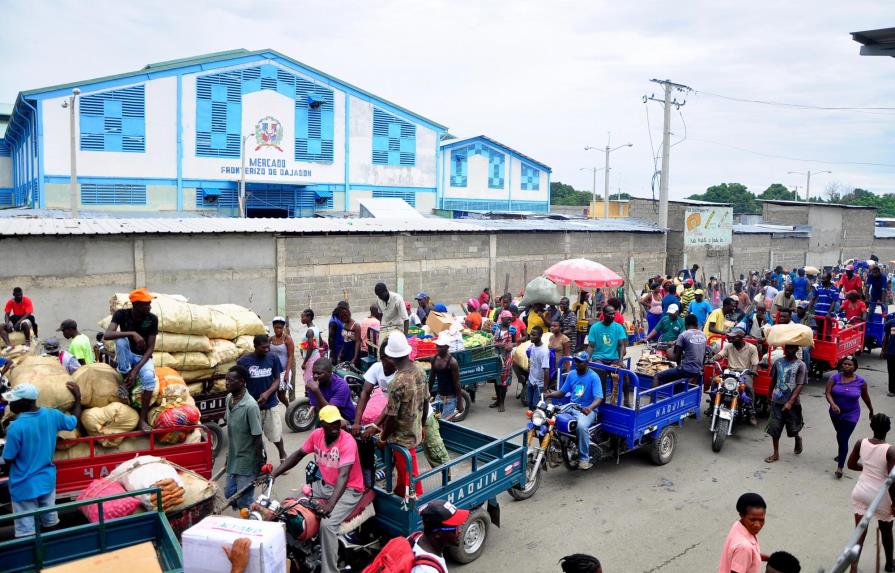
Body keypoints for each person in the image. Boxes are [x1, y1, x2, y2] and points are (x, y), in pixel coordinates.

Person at [271, 405, 364, 573]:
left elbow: (343, 476)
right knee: (288, 507)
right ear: (322, 424)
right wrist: (274, 474)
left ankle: (329, 570)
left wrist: (330, 506)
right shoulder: (316, 436)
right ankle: (302, 550)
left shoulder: (347, 441)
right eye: (330, 423)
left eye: (337, 422)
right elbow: (298, 455)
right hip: (325, 486)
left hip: (350, 490)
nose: (335, 426)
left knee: (327, 525)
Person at [2, 383, 80, 537]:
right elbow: (73, 422)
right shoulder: (52, 415)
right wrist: (78, 398)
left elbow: (8, 457)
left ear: (26, 402)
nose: (9, 404)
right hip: (46, 481)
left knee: (26, 531)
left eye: (13, 401)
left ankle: (33, 559)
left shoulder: (15, 428)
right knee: (50, 522)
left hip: (22, 484)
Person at [379, 332, 428, 497]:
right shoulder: (420, 371)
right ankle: (400, 493)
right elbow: (426, 402)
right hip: (415, 430)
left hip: (402, 439)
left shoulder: (397, 382)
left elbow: (391, 418)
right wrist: (423, 425)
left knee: (410, 476)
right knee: (403, 473)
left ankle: (415, 505)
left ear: (391, 357)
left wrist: (383, 438)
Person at [104, 288, 158, 431]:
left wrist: (136, 370)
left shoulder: (152, 319)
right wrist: (132, 333)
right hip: (126, 356)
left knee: (149, 379)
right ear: (137, 305)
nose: (150, 306)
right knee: (121, 340)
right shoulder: (121, 314)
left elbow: (150, 349)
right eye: (147, 304)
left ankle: (142, 420)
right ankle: (126, 379)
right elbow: (107, 334)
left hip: (143, 358)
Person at [847, 413, 895, 573]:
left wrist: (866, 468)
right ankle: (889, 564)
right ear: (888, 429)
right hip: (881, 497)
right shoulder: (890, 451)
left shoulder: (861, 443)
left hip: (861, 491)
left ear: (871, 427)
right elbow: (891, 480)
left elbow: (851, 464)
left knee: (860, 533)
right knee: (886, 530)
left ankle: (853, 567)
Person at [545, 351, 603, 470]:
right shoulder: (571, 374)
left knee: (581, 426)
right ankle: (555, 449)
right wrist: (548, 395)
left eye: (580, 362)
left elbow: (599, 398)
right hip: (571, 407)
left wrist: (590, 408)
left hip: (586, 410)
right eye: (575, 361)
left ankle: (584, 459)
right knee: (548, 417)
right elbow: (562, 392)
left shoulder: (593, 377)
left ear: (587, 363)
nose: (576, 364)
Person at [236, 334, 287, 463]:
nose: (266, 350)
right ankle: (262, 461)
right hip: (252, 407)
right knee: (255, 437)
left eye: (268, 347)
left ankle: (282, 454)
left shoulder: (273, 358)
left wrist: (268, 393)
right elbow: (239, 382)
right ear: (255, 346)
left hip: (271, 404)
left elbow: (277, 379)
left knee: (275, 435)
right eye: (263, 347)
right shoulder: (244, 362)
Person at [223, 365, 264, 511]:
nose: (227, 383)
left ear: (241, 382)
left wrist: (260, 463)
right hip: (234, 457)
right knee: (229, 493)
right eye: (226, 380)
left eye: (230, 380)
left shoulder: (250, 406)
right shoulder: (229, 399)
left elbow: (257, 436)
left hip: (248, 460)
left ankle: (251, 521)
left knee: (244, 500)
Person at [826, 355, 873, 479]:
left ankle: (840, 467)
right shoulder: (834, 378)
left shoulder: (861, 382)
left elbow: (865, 397)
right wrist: (833, 404)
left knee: (843, 437)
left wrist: (871, 409)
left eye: (849, 364)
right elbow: (828, 393)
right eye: (845, 364)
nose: (846, 366)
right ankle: (841, 453)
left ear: (855, 367)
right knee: (840, 434)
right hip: (835, 413)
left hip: (851, 414)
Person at [765, 345, 806, 463]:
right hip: (777, 400)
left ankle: (797, 438)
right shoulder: (778, 362)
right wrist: (769, 395)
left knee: (793, 428)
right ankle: (775, 453)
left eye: (792, 348)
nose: (789, 350)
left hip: (793, 403)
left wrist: (790, 402)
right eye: (787, 348)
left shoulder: (800, 365)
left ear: (797, 349)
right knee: (775, 428)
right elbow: (773, 380)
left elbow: (800, 385)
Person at [410, 500, 470, 573]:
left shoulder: (416, 537)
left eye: (460, 525)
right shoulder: (426, 570)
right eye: (455, 528)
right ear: (438, 534)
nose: (460, 530)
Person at [718, 492, 768, 573]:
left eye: (761, 520)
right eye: (752, 520)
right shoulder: (744, 547)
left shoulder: (738, 525)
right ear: (742, 515)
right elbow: (745, 551)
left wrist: (771, 559)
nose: (757, 525)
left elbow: (753, 555)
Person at [657, 314, 706, 387]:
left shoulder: (683, 335)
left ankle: (653, 398)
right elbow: (703, 355)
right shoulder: (703, 335)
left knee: (657, 377)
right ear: (696, 324)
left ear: (685, 324)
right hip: (698, 370)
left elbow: (675, 359)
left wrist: (668, 350)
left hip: (686, 371)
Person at [308, 357, 356, 423]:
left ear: (330, 372)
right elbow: (317, 409)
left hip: (346, 420)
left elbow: (330, 412)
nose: (315, 376)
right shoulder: (313, 384)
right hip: (325, 419)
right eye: (313, 373)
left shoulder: (341, 385)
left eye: (319, 373)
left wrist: (316, 391)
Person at [492, 310, 520, 411]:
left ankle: (502, 403)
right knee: (496, 379)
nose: (509, 321)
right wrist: (497, 344)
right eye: (507, 319)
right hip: (496, 356)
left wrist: (511, 345)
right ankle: (498, 400)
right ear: (502, 319)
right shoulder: (495, 328)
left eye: (510, 319)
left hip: (507, 358)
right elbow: (492, 341)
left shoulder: (512, 329)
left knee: (504, 381)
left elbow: (516, 342)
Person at [430, 333, 462, 420]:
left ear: (447, 347)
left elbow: (457, 383)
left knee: (444, 424)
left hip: (450, 399)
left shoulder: (452, 362)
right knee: (436, 422)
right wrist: (428, 394)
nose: (438, 348)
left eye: (441, 346)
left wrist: (460, 402)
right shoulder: (434, 359)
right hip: (438, 397)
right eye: (437, 346)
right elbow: (432, 378)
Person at [269, 316, 295, 408]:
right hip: (272, 372)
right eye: (276, 327)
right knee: (271, 393)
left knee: (281, 395)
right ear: (273, 327)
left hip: (283, 371)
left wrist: (287, 373)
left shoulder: (287, 339)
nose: (278, 330)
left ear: (283, 327)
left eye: (280, 327)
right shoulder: (270, 339)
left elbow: (290, 356)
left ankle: (289, 408)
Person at [808, 273, 839, 340]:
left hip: (828, 316)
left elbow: (834, 302)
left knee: (827, 334)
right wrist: (809, 311)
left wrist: (829, 313)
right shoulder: (818, 288)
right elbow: (813, 299)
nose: (822, 280)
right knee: (819, 333)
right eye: (821, 279)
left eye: (824, 279)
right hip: (818, 314)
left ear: (829, 279)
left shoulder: (835, 289)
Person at [525, 326, 550, 410]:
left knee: (537, 406)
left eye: (534, 335)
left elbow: (546, 370)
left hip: (539, 384)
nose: (531, 336)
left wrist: (545, 388)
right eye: (531, 334)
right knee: (530, 404)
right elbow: (531, 363)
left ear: (540, 336)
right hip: (531, 380)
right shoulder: (532, 346)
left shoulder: (544, 351)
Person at [301, 308, 326, 389]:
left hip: (310, 359)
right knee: (314, 379)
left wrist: (304, 362)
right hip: (316, 356)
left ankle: (309, 398)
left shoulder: (309, 331)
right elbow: (321, 343)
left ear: (308, 317)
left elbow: (310, 348)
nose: (301, 319)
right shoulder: (316, 328)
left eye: (302, 317)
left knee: (309, 381)